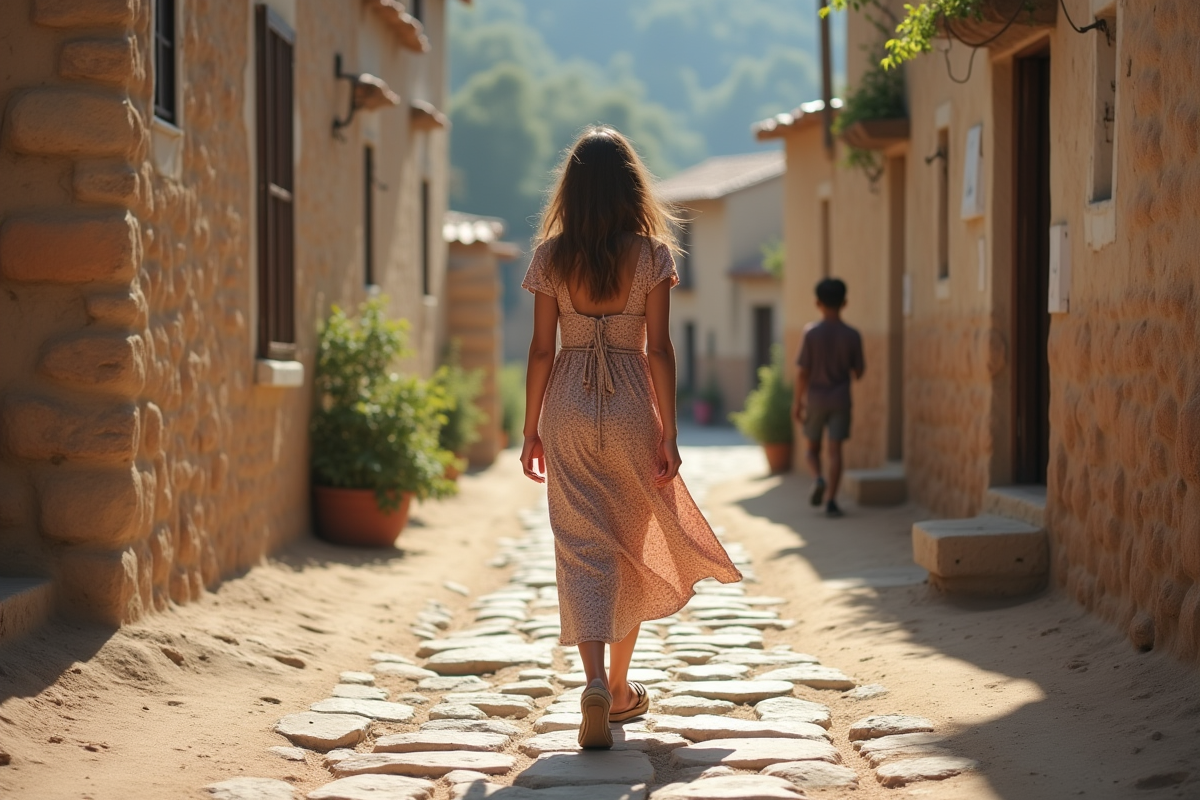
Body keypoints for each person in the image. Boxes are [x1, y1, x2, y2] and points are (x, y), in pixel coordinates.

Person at [520, 127, 742, 749]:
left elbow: (542, 348)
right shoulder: (651, 257)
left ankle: (591, 681)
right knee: (627, 546)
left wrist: (531, 427)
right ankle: (618, 691)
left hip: (566, 401)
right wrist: (669, 431)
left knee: (582, 546)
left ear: (571, 188)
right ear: (630, 186)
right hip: (629, 409)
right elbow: (662, 349)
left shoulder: (550, 257)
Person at [792, 278, 864, 518]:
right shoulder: (852, 335)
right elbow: (859, 372)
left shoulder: (811, 333)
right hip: (841, 399)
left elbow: (803, 372)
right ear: (845, 303)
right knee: (836, 451)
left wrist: (797, 402)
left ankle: (818, 477)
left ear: (817, 303)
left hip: (816, 399)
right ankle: (832, 500)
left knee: (811, 449)